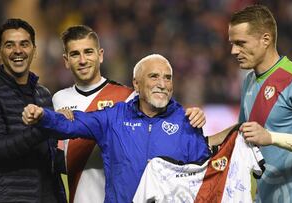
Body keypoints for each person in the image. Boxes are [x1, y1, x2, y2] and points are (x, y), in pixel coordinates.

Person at [23, 54, 210, 202]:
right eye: (154, 76)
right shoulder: (114, 118)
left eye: (167, 78)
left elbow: (205, 178)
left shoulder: (187, 123)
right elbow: (71, 124)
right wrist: (42, 116)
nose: (162, 84)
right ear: (136, 84)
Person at [227, 4, 292, 202]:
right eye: (232, 43)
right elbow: (240, 132)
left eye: (240, 43)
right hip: (266, 195)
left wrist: (270, 137)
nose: (233, 50)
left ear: (265, 39)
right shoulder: (248, 81)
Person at [0, 18, 66, 203]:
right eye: (10, 45)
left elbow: (48, 155)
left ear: (34, 49)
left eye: (24, 44)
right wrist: (46, 125)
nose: (18, 51)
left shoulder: (43, 94)